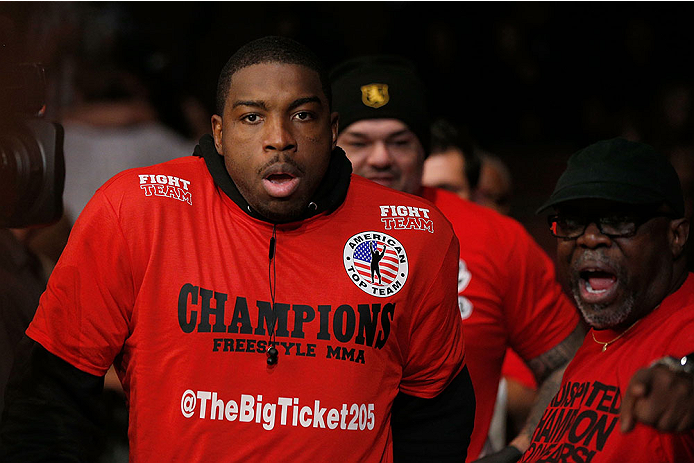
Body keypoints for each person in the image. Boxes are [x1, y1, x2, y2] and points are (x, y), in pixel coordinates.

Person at [0, 36, 475, 462]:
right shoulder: (136, 211)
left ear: (331, 130)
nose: (279, 139)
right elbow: (50, 394)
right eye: (252, 117)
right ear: (219, 133)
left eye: (302, 115)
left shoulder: (418, 235)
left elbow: (435, 414)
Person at [330, 55, 585, 462]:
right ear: (329, 144)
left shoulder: (496, 236)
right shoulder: (294, 227)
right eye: (359, 142)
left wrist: (522, 449)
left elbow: (572, 366)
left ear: (424, 149)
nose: (380, 158)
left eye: (400, 142)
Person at [521, 138, 694, 461]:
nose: (590, 238)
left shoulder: (685, 322)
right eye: (572, 222)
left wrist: (687, 375)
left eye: (618, 220)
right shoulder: (601, 338)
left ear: (676, 236)